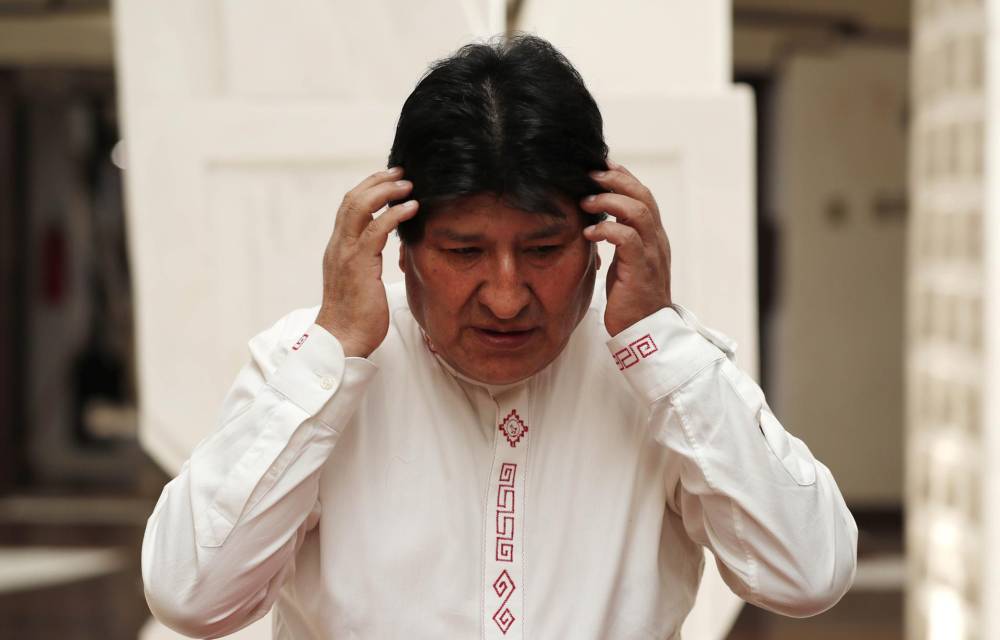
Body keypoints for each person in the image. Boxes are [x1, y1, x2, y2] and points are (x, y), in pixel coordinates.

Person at [141, 34, 857, 639]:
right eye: (464, 253)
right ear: (399, 244)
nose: (508, 297)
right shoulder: (313, 366)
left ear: (600, 240)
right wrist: (332, 354)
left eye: (544, 251)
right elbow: (191, 596)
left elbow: (810, 573)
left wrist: (661, 343)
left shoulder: (662, 373)